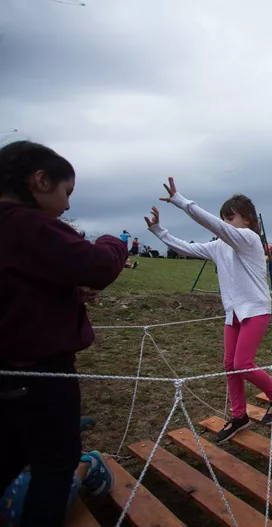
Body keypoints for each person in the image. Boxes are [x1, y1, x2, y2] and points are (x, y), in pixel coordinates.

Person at [0, 140, 128, 526]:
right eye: (66, 192)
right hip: (41, 376)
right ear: (41, 179)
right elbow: (97, 266)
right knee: (54, 468)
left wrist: (65, 291)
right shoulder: (28, 224)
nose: (69, 205)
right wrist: (112, 242)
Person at [146, 178, 272, 442]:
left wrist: (181, 201)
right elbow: (186, 248)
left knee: (242, 364)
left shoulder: (248, 238)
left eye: (230, 218)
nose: (225, 223)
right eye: (224, 219)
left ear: (247, 219)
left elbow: (209, 223)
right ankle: (239, 416)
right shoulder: (219, 246)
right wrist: (159, 231)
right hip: (233, 312)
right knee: (229, 365)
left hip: (256, 309)